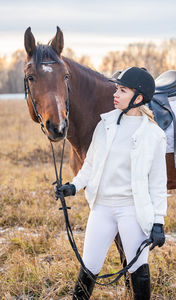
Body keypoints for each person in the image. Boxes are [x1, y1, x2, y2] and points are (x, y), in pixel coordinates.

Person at [55, 67, 167, 300]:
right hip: (102, 208)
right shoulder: (104, 125)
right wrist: (74, 186)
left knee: (138, 271)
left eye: (122, 90)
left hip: (132, 211)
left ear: (138, 98)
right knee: (89, 267)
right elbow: (90, 165)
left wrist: (158, 222)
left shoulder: (154, 136)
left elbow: (157, 183)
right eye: (116, 88)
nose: (115, 93)